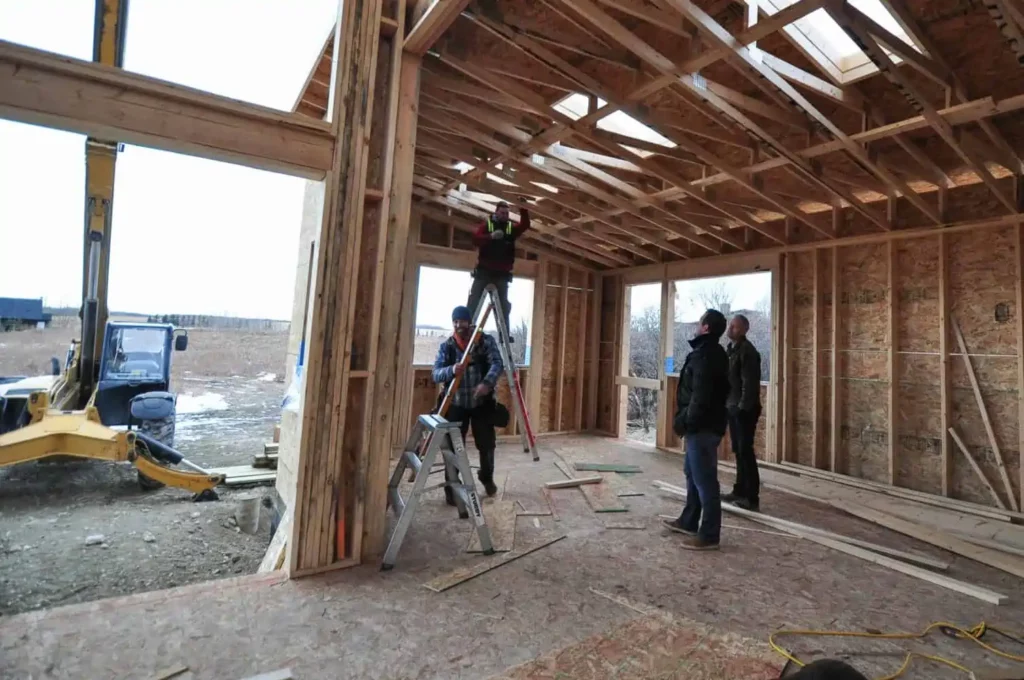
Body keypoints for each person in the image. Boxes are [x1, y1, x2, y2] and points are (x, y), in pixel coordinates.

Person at [663, 309, 730, 551]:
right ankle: (689, 520)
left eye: (700, 321)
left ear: (706, 328)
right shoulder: (709, 353)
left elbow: (700, 397)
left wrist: (685, 421)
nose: (697, 324)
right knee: (692, 473)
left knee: (705, 480)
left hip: (702, 426)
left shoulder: (706, 356)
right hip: (704, 425)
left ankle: (709, 534)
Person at [432, 305, 504, 500]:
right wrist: (451, 370)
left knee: (487, 445)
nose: (458, 325)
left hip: (481, 403)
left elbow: (498, 363)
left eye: (462, 321)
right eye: (455, 321)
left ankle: (487, 478)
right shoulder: (447, 346)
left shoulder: (484, 341)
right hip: (455, 404)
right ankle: (453, 490)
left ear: (469, 322)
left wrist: (487, 384)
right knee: (454, 448)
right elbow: (436, 373)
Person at [467, 200, 530, 340]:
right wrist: (490, 237)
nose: (505, 215)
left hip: (502, 274)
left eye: (507, 213)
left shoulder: (510, 229)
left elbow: (525, 225)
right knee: (474, 301)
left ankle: (504, 335)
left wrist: (523, 208)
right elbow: (475, 240)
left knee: (503, 307)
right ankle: (466, 331)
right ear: (496, 212)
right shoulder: (487, 226)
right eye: (502, 213)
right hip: (484, 272)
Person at [724, 314, 763, 511]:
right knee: (738, 451)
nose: (731, 329)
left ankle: (751, 497)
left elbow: (749, 384)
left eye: (736, 327)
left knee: (745, 451)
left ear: (745, 330)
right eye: (731, 326)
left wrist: (742, 408)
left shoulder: (748, 352)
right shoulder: (732, 350)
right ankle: (739, 491)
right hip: (733, 406)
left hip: (744, 409)